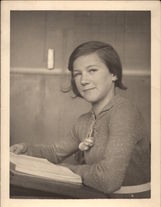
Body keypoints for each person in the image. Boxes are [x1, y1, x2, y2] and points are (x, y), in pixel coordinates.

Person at [10, 41, 150, 198]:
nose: (83, 80)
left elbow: (108, 180)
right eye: (77, 73)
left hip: (132, 205)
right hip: (98, 198)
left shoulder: (124, 111)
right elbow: (55, 152)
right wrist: (25, 149)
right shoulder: (83, 121)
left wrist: (62, 170)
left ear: (114, 74)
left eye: (92, 70)